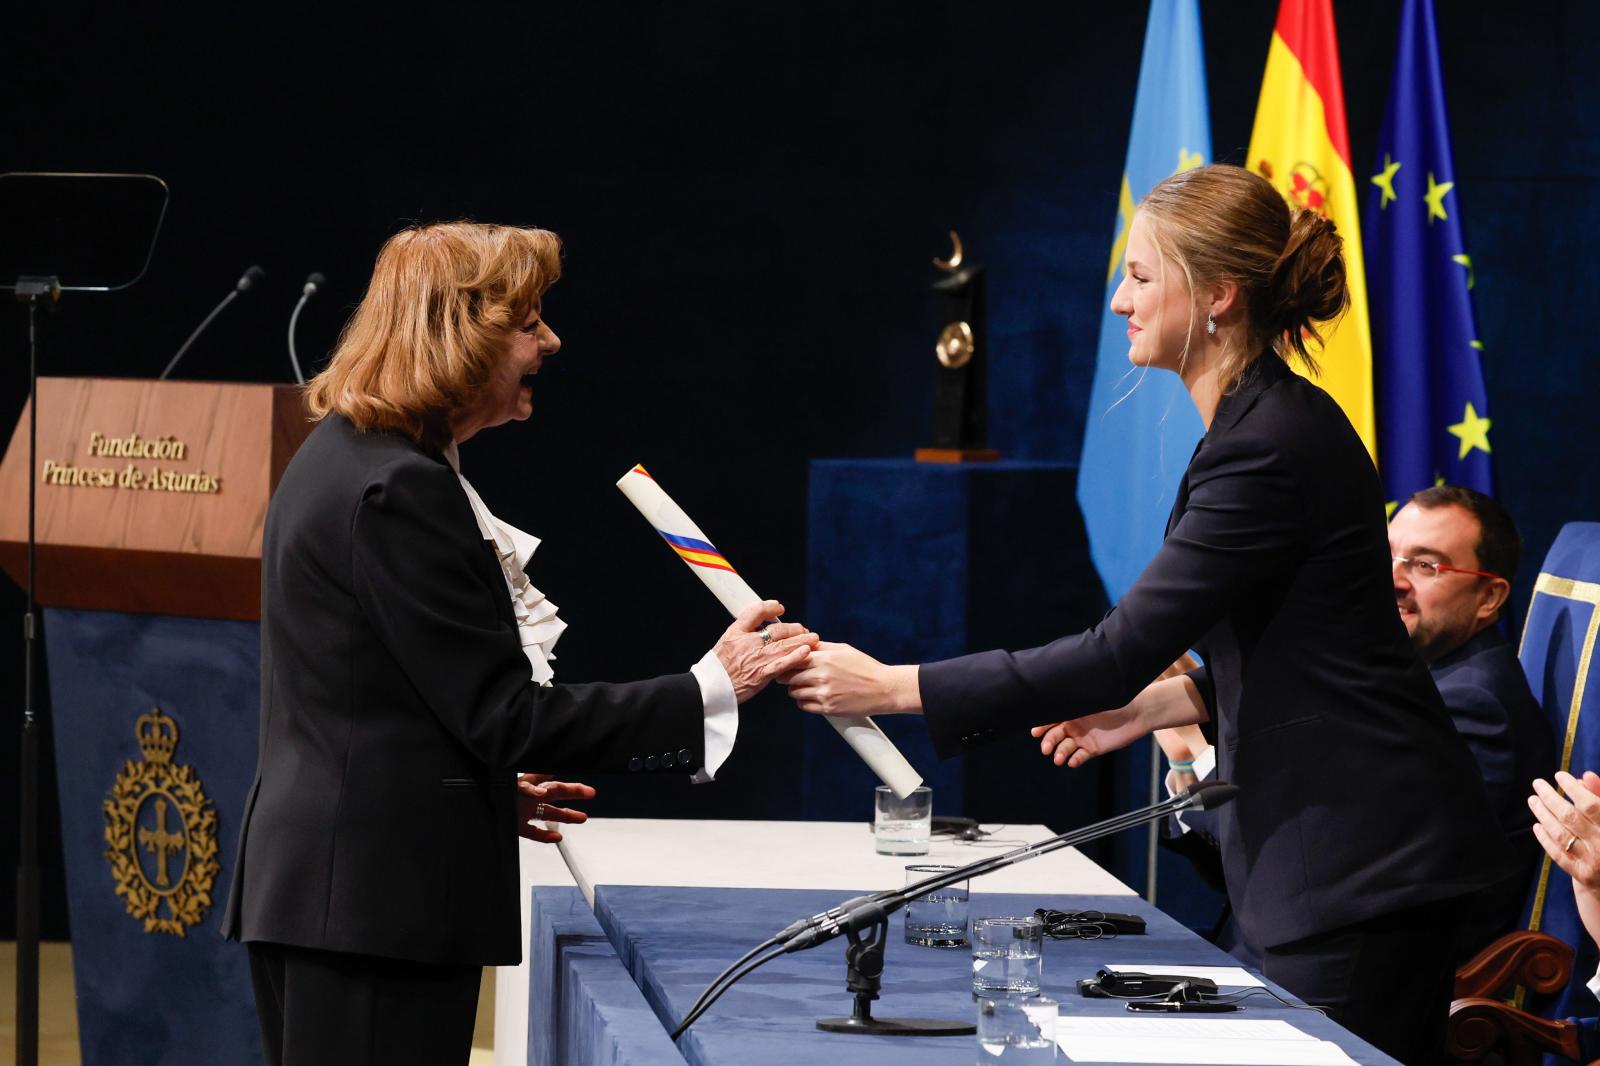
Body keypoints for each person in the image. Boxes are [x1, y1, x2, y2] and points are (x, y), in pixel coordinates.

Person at [786, 164, 1512, 1063]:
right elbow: (1302, 643)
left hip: (1358, 869)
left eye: (1140, 276)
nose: (1120, 300)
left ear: (1218, 295)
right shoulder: (1264, 426)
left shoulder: (1268, 446)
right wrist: (1151, 706)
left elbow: (1117, 648)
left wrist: (892, 685)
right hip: (1336, 861)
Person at [221, 222, 818, 1066]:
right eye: (529, 321)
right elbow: (503, 715)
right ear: (460, 333)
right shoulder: (400, 488)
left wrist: (465, 790)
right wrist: (711, 685)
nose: (551, 340)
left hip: (344, 892)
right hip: (368, 910)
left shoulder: (352, 457)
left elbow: (372, 693)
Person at [1156, 485, 1555, 966]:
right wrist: (1188, 759)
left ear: (1489, 597)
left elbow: (1329, 858)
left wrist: (1199, 756)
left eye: (1425, 565)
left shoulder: (1469, 705)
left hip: (1348, 992)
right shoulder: (1399, 676)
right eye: (1386, 555)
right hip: (1277, 953)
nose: (1392, 579)